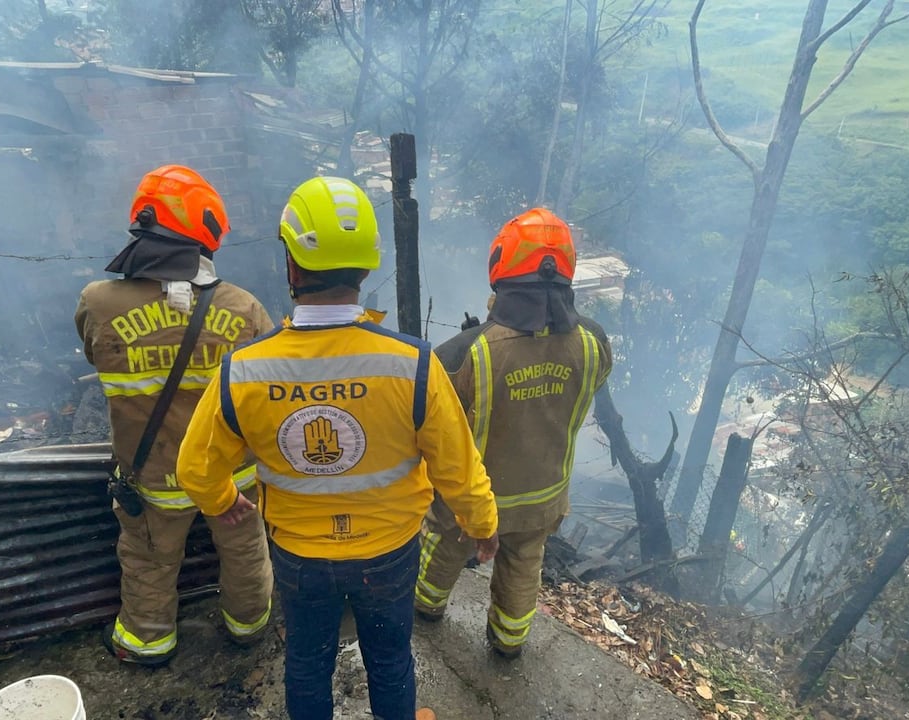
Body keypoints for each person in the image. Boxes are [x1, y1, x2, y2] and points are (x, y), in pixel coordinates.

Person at [177, 176, 499, 720]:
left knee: (306, 662)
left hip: (301, 556)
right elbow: (458, 466)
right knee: (391, 661)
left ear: (291, 265)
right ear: (367, 265)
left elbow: (195, 467)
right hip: (390, 551)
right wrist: (483, 524)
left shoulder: (244, 370)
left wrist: (220, 500)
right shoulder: (414, 364)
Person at [75, 165, 274, 666]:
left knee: (148, 561)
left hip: (152, 477)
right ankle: (247, 626)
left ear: (142, 223)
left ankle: (148, 642)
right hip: (231, 475)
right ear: (206, 232)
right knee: (246, 552)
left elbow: (93, 356)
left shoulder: (98, 304)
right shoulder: (244, 308)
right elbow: (268, 386)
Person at [414, 207, 613, 658]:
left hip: (473, 501)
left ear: (501, 266)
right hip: (544, 496)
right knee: (524, 565)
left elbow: (435, 421)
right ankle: (507, 644)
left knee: (443, 549)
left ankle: (425, 610)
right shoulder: (595, 342)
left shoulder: (465, 351)